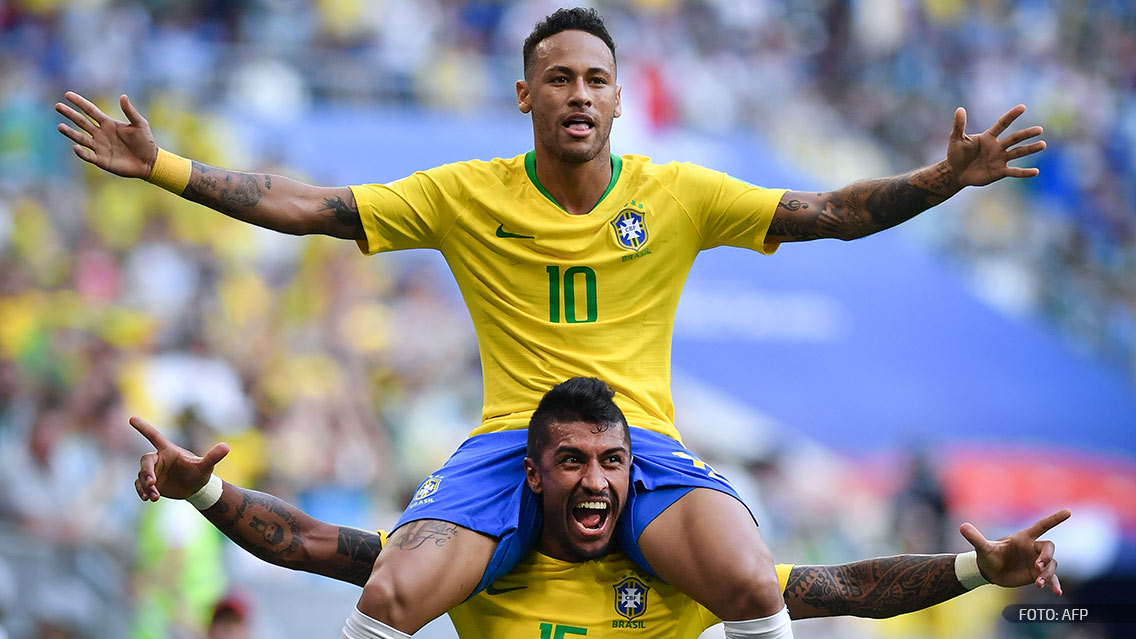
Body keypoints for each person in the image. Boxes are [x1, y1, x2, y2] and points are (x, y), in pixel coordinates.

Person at [57, 8, 1047, 638]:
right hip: (509, 444)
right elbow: (311, 206)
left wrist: (940, 179)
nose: (578, 93)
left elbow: (828, 216)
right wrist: (168, 168)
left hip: (636, 446)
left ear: (617, 101)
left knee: (753, 580)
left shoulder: (679, 193)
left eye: (595, 79)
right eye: (560, 78)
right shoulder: (459, 194)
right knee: (389, 598)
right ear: (525, 94)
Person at [130, 377, 1067, 638]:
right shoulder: (476, 560)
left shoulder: (684, 571)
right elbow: (306, 542)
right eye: (571, 460)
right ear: (533, 476)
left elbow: (845, 586)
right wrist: (203, 486)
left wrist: (978, 567)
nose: (595, 479)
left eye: (612, 461)